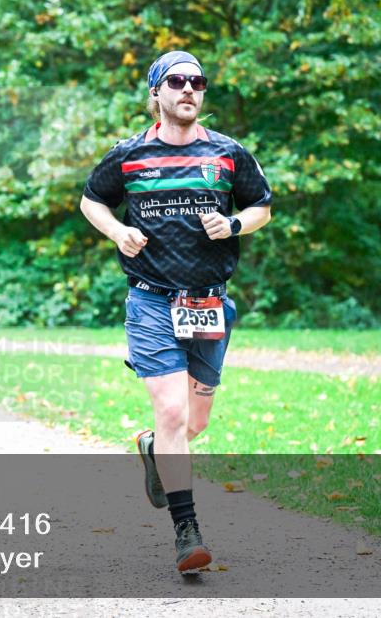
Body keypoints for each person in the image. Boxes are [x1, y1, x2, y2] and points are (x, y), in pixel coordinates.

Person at [79, 50, 272, 573]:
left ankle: (152, 448)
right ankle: (188, 533)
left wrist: (233, 226)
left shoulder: (228, 154)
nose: (189, 89)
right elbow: (91, 200)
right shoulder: (130, 155)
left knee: (194, 423)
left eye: (197, 81)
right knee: (171, 412)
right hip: (149, 298)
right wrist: (118, 230)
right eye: (177, 81)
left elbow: (261, 207)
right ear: (156, 94)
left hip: (209, 301)